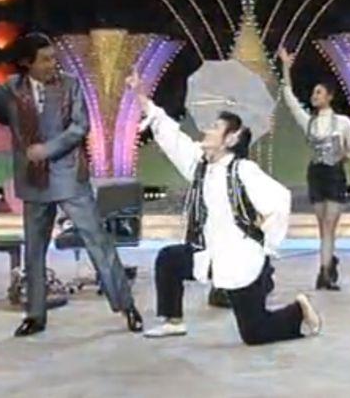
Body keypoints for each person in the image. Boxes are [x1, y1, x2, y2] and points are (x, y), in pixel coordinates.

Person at [0, 18, 142, 336]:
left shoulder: (70, 85)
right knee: (34, 251)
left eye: (53, 58)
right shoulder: (13, 88)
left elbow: (80, 126)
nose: (52, 64)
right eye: (44, 60)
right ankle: (35, 315)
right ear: (26, 63)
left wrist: (48, 149)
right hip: (33, 181)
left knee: (98, 242)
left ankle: (126, 306)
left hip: (69, 177)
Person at [127, 74, 322, 344]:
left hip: (240, 259)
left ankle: (298, 311)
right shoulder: (201, 165)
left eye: (216, 127)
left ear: (230, 139)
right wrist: (141, 96)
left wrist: (265, 242)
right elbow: (173, 138)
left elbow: (280, 200)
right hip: (210, 253)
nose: (208, 130)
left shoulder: (242, 170)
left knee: (254, 333)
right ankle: (173, 321)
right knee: (169, 259)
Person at [278, 47, 350, 290]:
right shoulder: (309, 122)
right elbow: (289, 96)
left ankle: (324, 273)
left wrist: (341, 157)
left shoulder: (343, 122)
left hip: (335, 175)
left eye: (319, 92)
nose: (314, 96)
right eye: (313, 92)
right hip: (316, 175)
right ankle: (328, 262)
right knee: (322, 225)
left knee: (330, 224)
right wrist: (285, 67)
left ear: (329, 97)